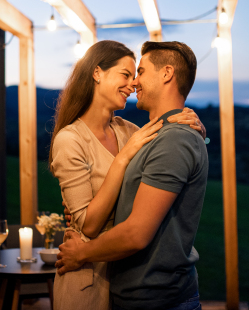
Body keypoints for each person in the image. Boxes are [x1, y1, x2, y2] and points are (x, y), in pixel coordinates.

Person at [50, 40, 206, 310]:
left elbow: (172, 140)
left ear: (167, 74)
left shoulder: (131, 131)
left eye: (139, 73)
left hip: (126, 276)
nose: (134, 83)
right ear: (97, 73)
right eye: (127, 74)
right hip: (90, 277)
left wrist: (192, 122)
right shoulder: (72, 139)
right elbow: (87, 221)